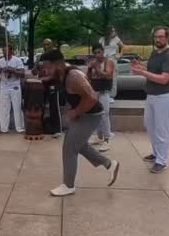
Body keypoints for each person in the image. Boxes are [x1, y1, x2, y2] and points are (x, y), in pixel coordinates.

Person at [48, 51, 120, 196]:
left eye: (47, 67)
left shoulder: (73, 76)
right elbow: (73, 95)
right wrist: (72, 110)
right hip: (84, 113)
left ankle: (68, 185)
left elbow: (92, 98)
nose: (46, 70)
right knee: (79, 145)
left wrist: (75, 112)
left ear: (57, 64)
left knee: (69, 148)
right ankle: (109, 164)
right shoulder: (61, 74)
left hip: (91, 115)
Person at [131, 27, 169, 172]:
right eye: (155, 37)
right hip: (152, 94)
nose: (157, 39)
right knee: (150, 126)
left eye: (160, 37)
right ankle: (157, 153)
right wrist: (141, 66)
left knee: (161, 129)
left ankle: (161, 160)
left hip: (165, 95)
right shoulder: (155, 52)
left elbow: (164, 79)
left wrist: (142, 73)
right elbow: (153, 69)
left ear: (167, 38)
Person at [86, 44, 116, 149]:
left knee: (104, 115)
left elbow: (106, 75)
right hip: (95, 91)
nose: (97, 55)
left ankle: (107, 139)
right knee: (97, 114)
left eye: (98, 52)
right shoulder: (94, 63)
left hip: (104, 91)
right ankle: (99, 137)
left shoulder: (109, 62)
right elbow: (89, 77)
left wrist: (96, 67)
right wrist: (89, 69)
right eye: (95, 53)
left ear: (103, 51)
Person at [35, 40, 63, 136]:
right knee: (40, 105)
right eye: (44, 45)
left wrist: (47, 78)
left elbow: (59, 71)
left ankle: (57, 130)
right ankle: (39, 127)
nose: (46, 46)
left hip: (54, 83)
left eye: (48, 44)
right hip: (43, 83)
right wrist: (36, 67)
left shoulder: (57, 55)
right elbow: (36, 72)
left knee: (54, 105)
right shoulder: (41, 57)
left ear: (52, 45)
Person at [0, 45, 25, 133]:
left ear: (11, 51)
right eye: (4, 51)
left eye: (7, 51)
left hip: (15, 86)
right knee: (4, 107)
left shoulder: (17, 60)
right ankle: (4, 128)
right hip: (4, 86)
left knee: (17, 107)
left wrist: (12, 70)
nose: (5, 52)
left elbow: (22, 74)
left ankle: (19, 128)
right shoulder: (0, 61)